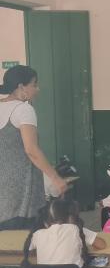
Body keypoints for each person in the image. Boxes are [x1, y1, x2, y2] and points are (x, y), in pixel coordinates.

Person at [0, 65, 68, 230]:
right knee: (25, 239)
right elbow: (31, 149)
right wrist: (55, 178)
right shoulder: (24, 109)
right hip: (20, 191)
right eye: (34, 84)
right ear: (21, 87)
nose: (38, 89)